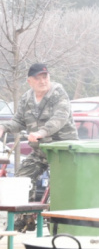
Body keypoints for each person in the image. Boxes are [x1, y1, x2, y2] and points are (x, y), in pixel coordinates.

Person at [0, 63, 78, 231]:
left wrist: (41, 132)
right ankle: (24, 218)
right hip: (40, 151)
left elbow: (60, 118)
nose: (43, 81)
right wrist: (4, 127)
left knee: (59, 186)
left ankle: (55, 221)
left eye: (45, 77)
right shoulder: (27, 98)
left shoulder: (58, 93)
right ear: (30, 81)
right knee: (22, 178)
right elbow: (19, 121)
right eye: (38, 78)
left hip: (61, 151)